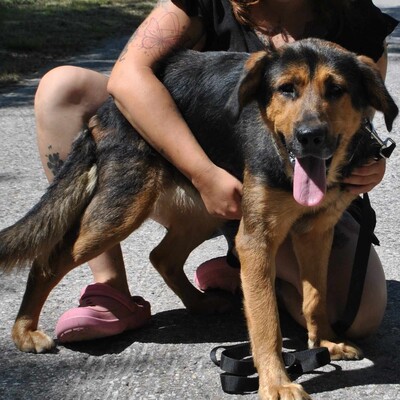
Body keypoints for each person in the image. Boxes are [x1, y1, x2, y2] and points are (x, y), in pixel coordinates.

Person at [34, 0, 398, 343]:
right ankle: (110, 287)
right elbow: (128, 77)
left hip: (299, 186)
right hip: (191, 154)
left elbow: (362, 120)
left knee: (354, 317)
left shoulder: (352, 12)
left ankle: (238, 268)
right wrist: (201, 173)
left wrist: (371, 163)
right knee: (64, 90)